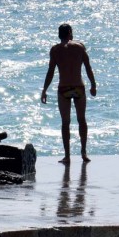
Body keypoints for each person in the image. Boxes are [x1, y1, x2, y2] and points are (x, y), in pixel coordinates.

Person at [41, 23, 97, 164]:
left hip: (64, 89)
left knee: (65, 123)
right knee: (81, 120)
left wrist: (44, 90)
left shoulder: (55, 50)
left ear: (59, 35)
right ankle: (83, 152)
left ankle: (67, 156)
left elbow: (50, 72)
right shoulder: (79, 47)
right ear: (70, 33)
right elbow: (88, 68)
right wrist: (93, 85)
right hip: (78, 87)